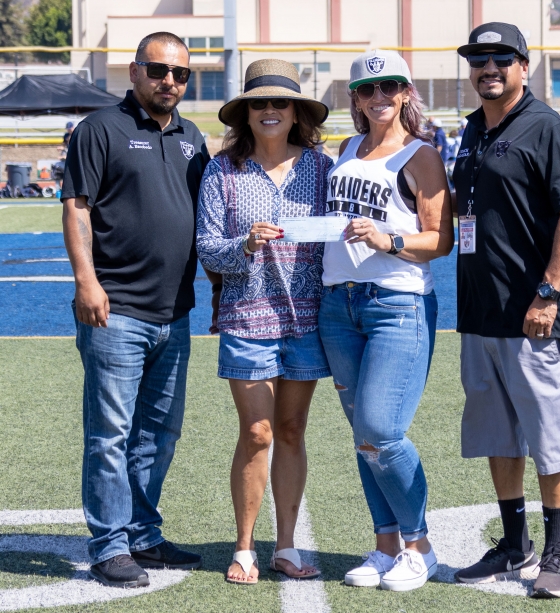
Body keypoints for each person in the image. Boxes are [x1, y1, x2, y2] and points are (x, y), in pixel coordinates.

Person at [62, 31, 209, 588]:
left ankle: (143, 534)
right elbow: (76, 208)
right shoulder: (101, 129)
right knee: (110, 434)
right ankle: (108, 544)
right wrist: (86, 283)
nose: (169, 81)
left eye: (180, 74)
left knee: (159, 434)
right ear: (134, 71)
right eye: (158, 70)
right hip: (114, 310)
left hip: (175, 313)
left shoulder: (194, 136)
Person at [452, 22, 560, 598]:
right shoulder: (470, 132)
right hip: (479, 313)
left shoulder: (546, 127)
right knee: (498, 434)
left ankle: (557, 553)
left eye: (500, 58)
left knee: (549, 436)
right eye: (479, 59)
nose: (489, 68)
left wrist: (549, 290)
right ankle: (515, 545)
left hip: (533, 314)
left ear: (523, 64)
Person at [319, 49, 454, 592]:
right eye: (368, 89)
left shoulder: (420, 156)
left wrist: (388, 239)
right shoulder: (346, 149)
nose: (379, 97)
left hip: (396, 303)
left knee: (381, 429)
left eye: (389, 86)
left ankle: (420, 546)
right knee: (363, 439)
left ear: (405, 92)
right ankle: (384, 547)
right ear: (354, 98)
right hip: (338, 306)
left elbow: (440, 240)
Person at [196, 59, 332, 585]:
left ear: (296, 111)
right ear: (245, 113)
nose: (270, 110)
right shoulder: (221, 170)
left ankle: (288, 546)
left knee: (292, 431)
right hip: (245, 319)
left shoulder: (322, 168)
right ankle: (246, 546)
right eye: (259, 102)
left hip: (307, 320)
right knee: (256, 432)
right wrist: (244, 244)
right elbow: (207, 246)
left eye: (280, 102)